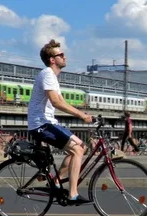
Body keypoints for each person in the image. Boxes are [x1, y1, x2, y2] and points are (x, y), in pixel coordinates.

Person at [27, 39, 93, 205]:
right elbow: (56, 102)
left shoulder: (53, 77)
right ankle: (73, 194)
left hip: (48, 122)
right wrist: (80, 115)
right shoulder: (47, 74)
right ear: (52, 59)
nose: (65, 56)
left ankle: (57, 181)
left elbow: (62, 102)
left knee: (81, 147)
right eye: (61, 54)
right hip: (41, 124)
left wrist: (82, 113)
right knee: (77, 150)